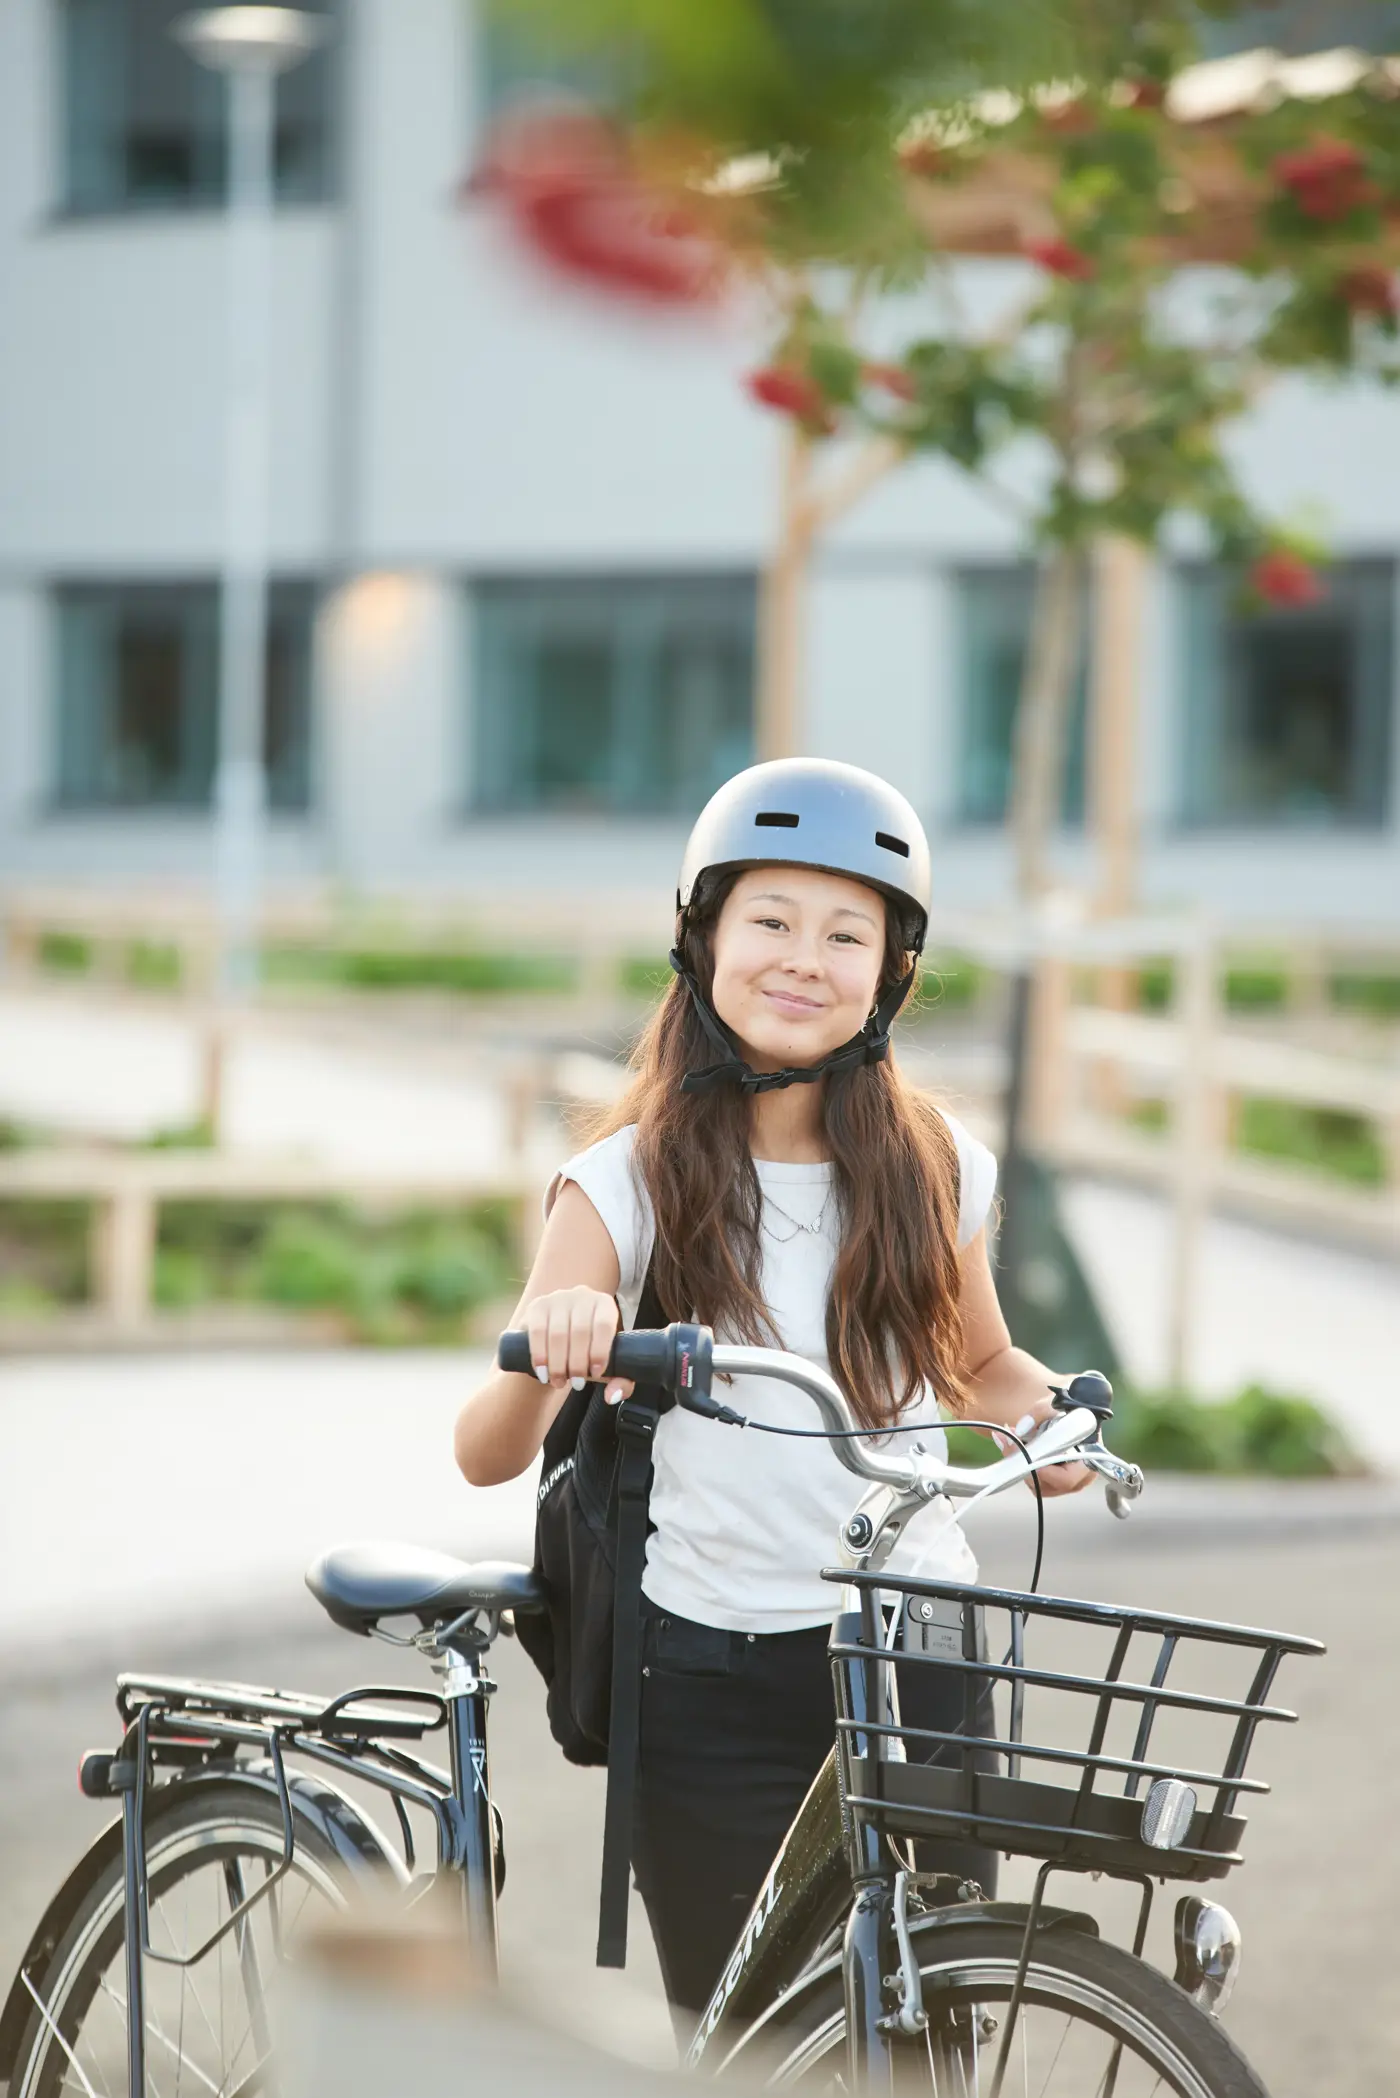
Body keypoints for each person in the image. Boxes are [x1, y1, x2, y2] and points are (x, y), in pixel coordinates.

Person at [453, 757, 1091, 2018]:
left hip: (918, 1650)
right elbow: (483, 1448)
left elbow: (978, 1360)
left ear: (890, 971)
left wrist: (1044, 1414)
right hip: (712, 1672)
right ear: (703, 937)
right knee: (752, 2042)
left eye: (846, 932)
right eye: (771, 921)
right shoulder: (623, 1181)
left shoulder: (935, 1166)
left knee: (925, 2018)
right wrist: (555, 1330)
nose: (804, 957)